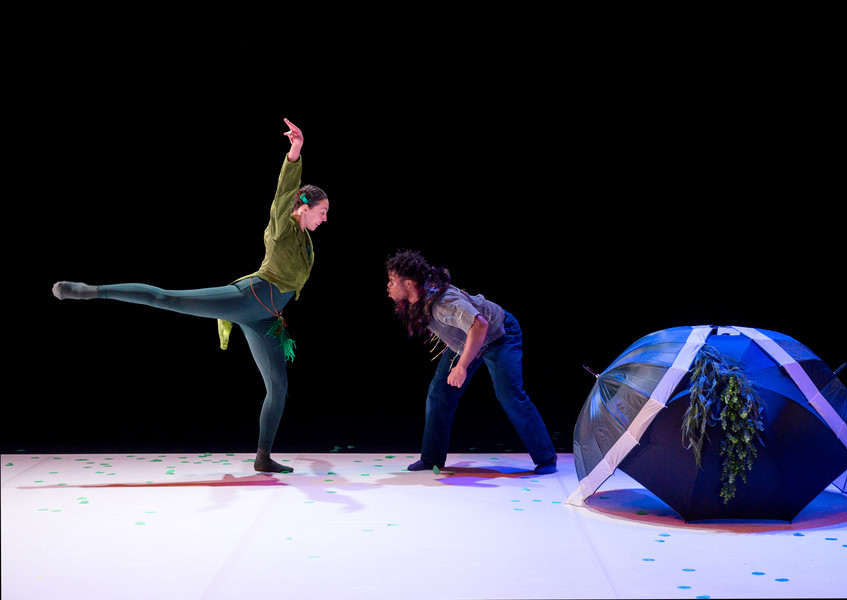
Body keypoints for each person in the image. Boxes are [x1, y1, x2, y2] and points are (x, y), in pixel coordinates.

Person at [52, 118, 328, 473]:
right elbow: (284, 191)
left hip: (266, 319)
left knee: (278, 387)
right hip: (246, 298)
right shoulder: (282, 225)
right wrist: (295, 151)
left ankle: (263, 457)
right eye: (323, 211)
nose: (325, 218)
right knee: (167, 298)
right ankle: (89, 291)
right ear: (303, 207)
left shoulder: (306, 242)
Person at [385, 250, 557, 474]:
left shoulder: (442, 303)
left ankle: (546, 458)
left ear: (409, 283)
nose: (388, 285)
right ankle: (431, 458)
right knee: (439, 394)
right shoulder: (420, 301)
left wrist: (461, 366)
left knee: (510, 395)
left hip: (499, 335)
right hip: (467, 340)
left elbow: (480, 325)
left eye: (392, 280)